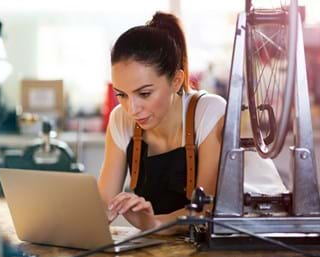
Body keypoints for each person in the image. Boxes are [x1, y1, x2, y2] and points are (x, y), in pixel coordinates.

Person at [98, 12, 285, 235]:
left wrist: (153, 225)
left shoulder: (210, 112)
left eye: (144, 93)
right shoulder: (121, 120)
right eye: (122, 94)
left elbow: (205, 212)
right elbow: (101, 210)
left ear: (176, 81)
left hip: (252, 240)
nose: (131, 108)